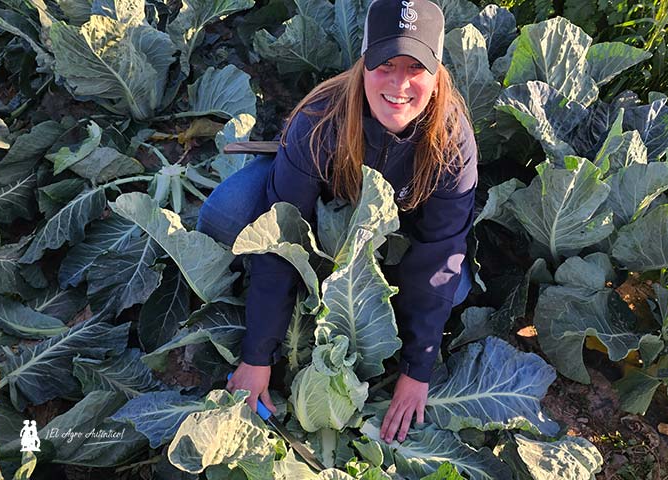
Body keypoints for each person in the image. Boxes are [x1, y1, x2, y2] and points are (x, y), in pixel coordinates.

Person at [196, 0, 477, 444]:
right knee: (226, 214)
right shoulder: (319, 119)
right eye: (385, 64)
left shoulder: (452, 141)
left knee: (454, 287)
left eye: (415, 68)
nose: (399, 83)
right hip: (315, 220)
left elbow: (441, 249)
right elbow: (282, 234)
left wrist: (416, 369)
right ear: (363, 63)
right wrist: (258, 355)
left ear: (438, 72)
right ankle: (268, 298)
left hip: (390, 241)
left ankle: (360, 289)